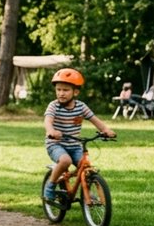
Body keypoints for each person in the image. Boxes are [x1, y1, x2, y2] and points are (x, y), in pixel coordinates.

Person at [42, 68, 115, 201]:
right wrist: (51, 131)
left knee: (86, 168)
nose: (61, 93)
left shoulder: (81, 107)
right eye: (58, 90)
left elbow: (95, 120)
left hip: (75, 145)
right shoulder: (53, 106)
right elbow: (48, 121)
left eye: (65, 90)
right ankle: (50, 185)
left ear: (75, 92)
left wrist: (106, 130)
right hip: (56, 144)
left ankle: (86, 191)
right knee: (65, 161)